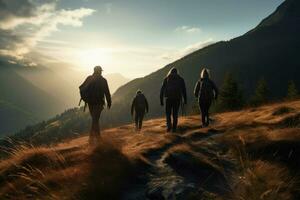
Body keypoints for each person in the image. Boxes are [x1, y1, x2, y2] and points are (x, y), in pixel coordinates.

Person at [79, 66, 111, 145]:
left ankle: (95, 138)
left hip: (90, 103)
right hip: (99, 103)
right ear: (100, 71)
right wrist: (109, 102)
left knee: (95, 119)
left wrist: (85, 98)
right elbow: (107, 92)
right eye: (101, 71)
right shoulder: (103, 80)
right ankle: (94, 139)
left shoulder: (89, 78)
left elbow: (81, 87)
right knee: (95, 120)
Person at [160, 67, 187, 132]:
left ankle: (169, 126)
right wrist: (185, 99)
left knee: (168, 113)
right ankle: (174, 128)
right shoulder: (180, 79)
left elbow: (162, 90)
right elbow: (184, 90)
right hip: (177, 99)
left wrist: (161, 100)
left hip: (168, 99)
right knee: (175, 114)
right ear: (177, 72)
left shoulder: (166, 79)